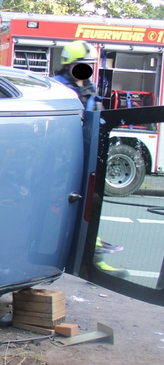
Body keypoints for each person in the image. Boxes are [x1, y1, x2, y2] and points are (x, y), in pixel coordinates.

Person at [55, 41, 128, 277]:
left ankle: (90, 261)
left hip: (87, 157)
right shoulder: (58, 89)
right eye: (81, 64)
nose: (86, 68)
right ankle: (84, 263)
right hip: (64, 159)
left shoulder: (90, 89)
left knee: (89, 206)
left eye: (89, 64)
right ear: (69, 65)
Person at [53, 40, 101, 110]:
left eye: (89, 64)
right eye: (80, 65)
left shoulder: (91, 87)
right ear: (67, 65)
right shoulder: (56, 85)